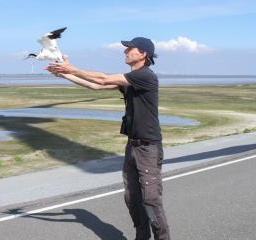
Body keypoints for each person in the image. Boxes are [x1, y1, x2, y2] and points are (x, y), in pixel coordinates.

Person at [46, 37, 170, 240]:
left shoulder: (145, 76)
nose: (125, 52)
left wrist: (72, 68)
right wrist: (65, 74)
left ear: (143, 54)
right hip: (132, 146)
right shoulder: (131, 80)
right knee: (132, 198)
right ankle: (142, 236)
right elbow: (96, 86)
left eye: (130, 49)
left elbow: (103, 78)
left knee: (151, 199)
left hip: (148, 148)